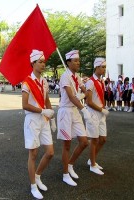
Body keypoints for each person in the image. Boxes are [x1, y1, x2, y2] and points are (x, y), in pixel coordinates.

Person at [21, 50, 56, 199]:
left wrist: (51, 115)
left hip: (44, 119)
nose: (43, 64)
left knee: (50, 152)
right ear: (33, 63)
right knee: (33, 154)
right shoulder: (26, 82)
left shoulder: (44, 81)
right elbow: (24, 105)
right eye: (40, 62)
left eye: (44, 61)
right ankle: (33, 185)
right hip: (32, 120)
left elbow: (46, 99)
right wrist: (43, 111)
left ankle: (38, 176)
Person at [57, 50, 93, 187]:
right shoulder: (65, 76)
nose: (78, 63)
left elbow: (84, 92)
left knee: (84, 142)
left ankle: (70, 164)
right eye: (76, 60)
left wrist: (86, 91)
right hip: (65, 112)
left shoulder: (77, 76)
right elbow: (71, 97)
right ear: (68, 62)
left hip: (75, 111)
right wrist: (84, 109)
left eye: (79, 60)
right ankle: (65, 174)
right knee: (66, 145)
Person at [85, 57, 109, 176]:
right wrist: (101, 109)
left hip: (100, 113)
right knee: (94, 140)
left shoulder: (101, 81)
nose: (104, 69)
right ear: (96, 67)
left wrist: (103, 108)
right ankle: (93, 165)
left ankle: (91, 159)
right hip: (93, 113)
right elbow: (88, 102)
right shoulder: (90, 82)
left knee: (103, 139)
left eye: (105, 67)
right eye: (103, 67)